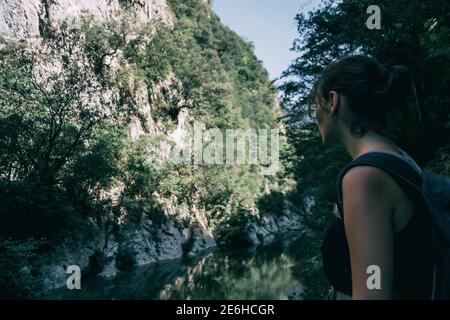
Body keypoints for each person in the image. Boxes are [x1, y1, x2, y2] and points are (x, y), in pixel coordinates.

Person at [313, 55, 435, 300]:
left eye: (315, 103)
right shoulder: (398, 157)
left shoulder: (363, 178)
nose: (314, 114)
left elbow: (372, 293)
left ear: (332, 101)